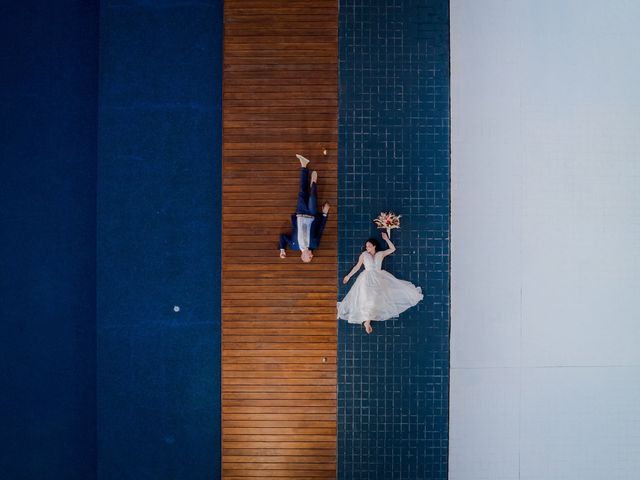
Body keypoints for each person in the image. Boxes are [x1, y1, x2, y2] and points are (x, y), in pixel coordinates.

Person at [338, 232, 423, 333]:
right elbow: (357, 267)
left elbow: (393, 249)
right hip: (366, 279)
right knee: (366, 299)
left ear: (374, 246)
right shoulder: (364, 255)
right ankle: (367, 321)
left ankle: (367, 321)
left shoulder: (380, 254)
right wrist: (348, 276)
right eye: (366, 246)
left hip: (378, 278)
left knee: (375, 300)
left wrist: (386, 239)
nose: (367, 247)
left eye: (369, 246)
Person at [278, 154, 330, 263]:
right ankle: (313, 184)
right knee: (312, 197)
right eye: (312, 257)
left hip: (300, 213)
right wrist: (325, 214)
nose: (312, 255)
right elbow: (320, 229)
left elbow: (283, 236)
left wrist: (282, 249)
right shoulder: (314, 244)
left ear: (304, 256)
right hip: (312, 214)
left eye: (310, 257)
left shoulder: (294, 245)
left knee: (302, 191)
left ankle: (304, 165)